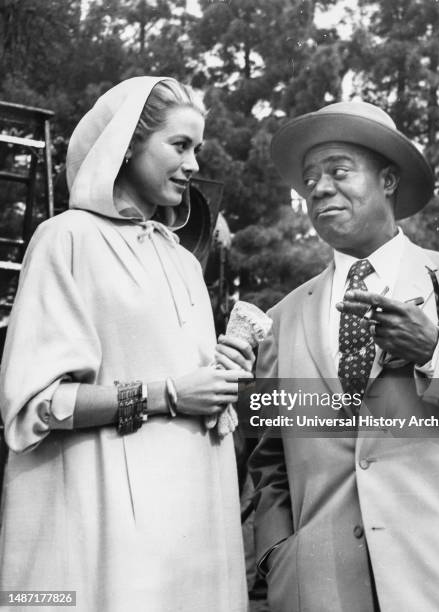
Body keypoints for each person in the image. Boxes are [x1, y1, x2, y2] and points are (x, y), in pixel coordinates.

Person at [0, 76, 254, 612]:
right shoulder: (66, 238)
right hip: (106, 531)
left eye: (198, 150)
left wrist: (224, 375)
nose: (193, 166)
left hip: (195, 530)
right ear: (128, 144)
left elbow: (196, 394)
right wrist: (169, 394)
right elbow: (36, 407)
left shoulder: (184, 262)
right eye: (179, 146)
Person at [249, 101, 439, 611]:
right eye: (310, 178)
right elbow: (270, 458)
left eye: (338, 170)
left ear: (387, 180)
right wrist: (278, 553)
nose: (318, 188)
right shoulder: (281, 320)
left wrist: (436, 351)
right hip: (321, 588)